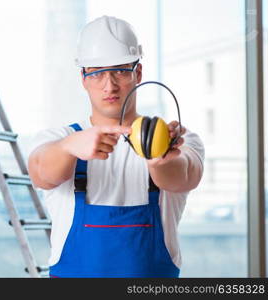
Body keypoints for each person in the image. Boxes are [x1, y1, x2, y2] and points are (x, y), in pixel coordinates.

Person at [28, 15, 204, 278]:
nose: (109, 85)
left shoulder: (176, 141)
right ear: (84, 79)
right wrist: (69, 148)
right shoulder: (59, 138)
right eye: (97, 73)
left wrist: (159, 157)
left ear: (138, 74)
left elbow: (183, 176)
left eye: (120, 70)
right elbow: (40, 173)